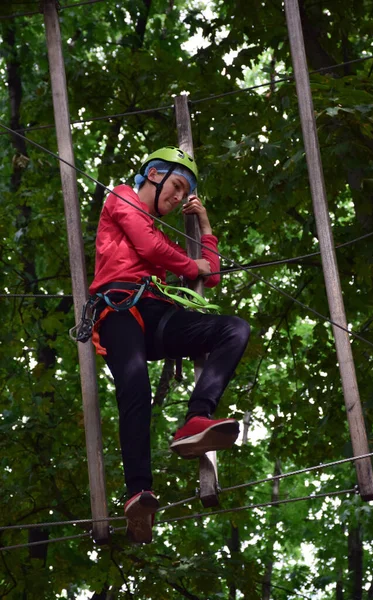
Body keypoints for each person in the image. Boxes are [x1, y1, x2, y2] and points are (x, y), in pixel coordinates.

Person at [89, 147, 250, 543]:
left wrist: (206, 225)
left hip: (157, 313)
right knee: (135, 386)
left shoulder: (161, 236)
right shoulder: (122, 196)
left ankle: (197, 418)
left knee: (234, 329)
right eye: (176, 187)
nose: (178, 199)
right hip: (119, 308)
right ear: (154, 174)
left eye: (184, 194)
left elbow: (208, 275)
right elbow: (146, 246)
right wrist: (190, 266)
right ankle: (138, 492)